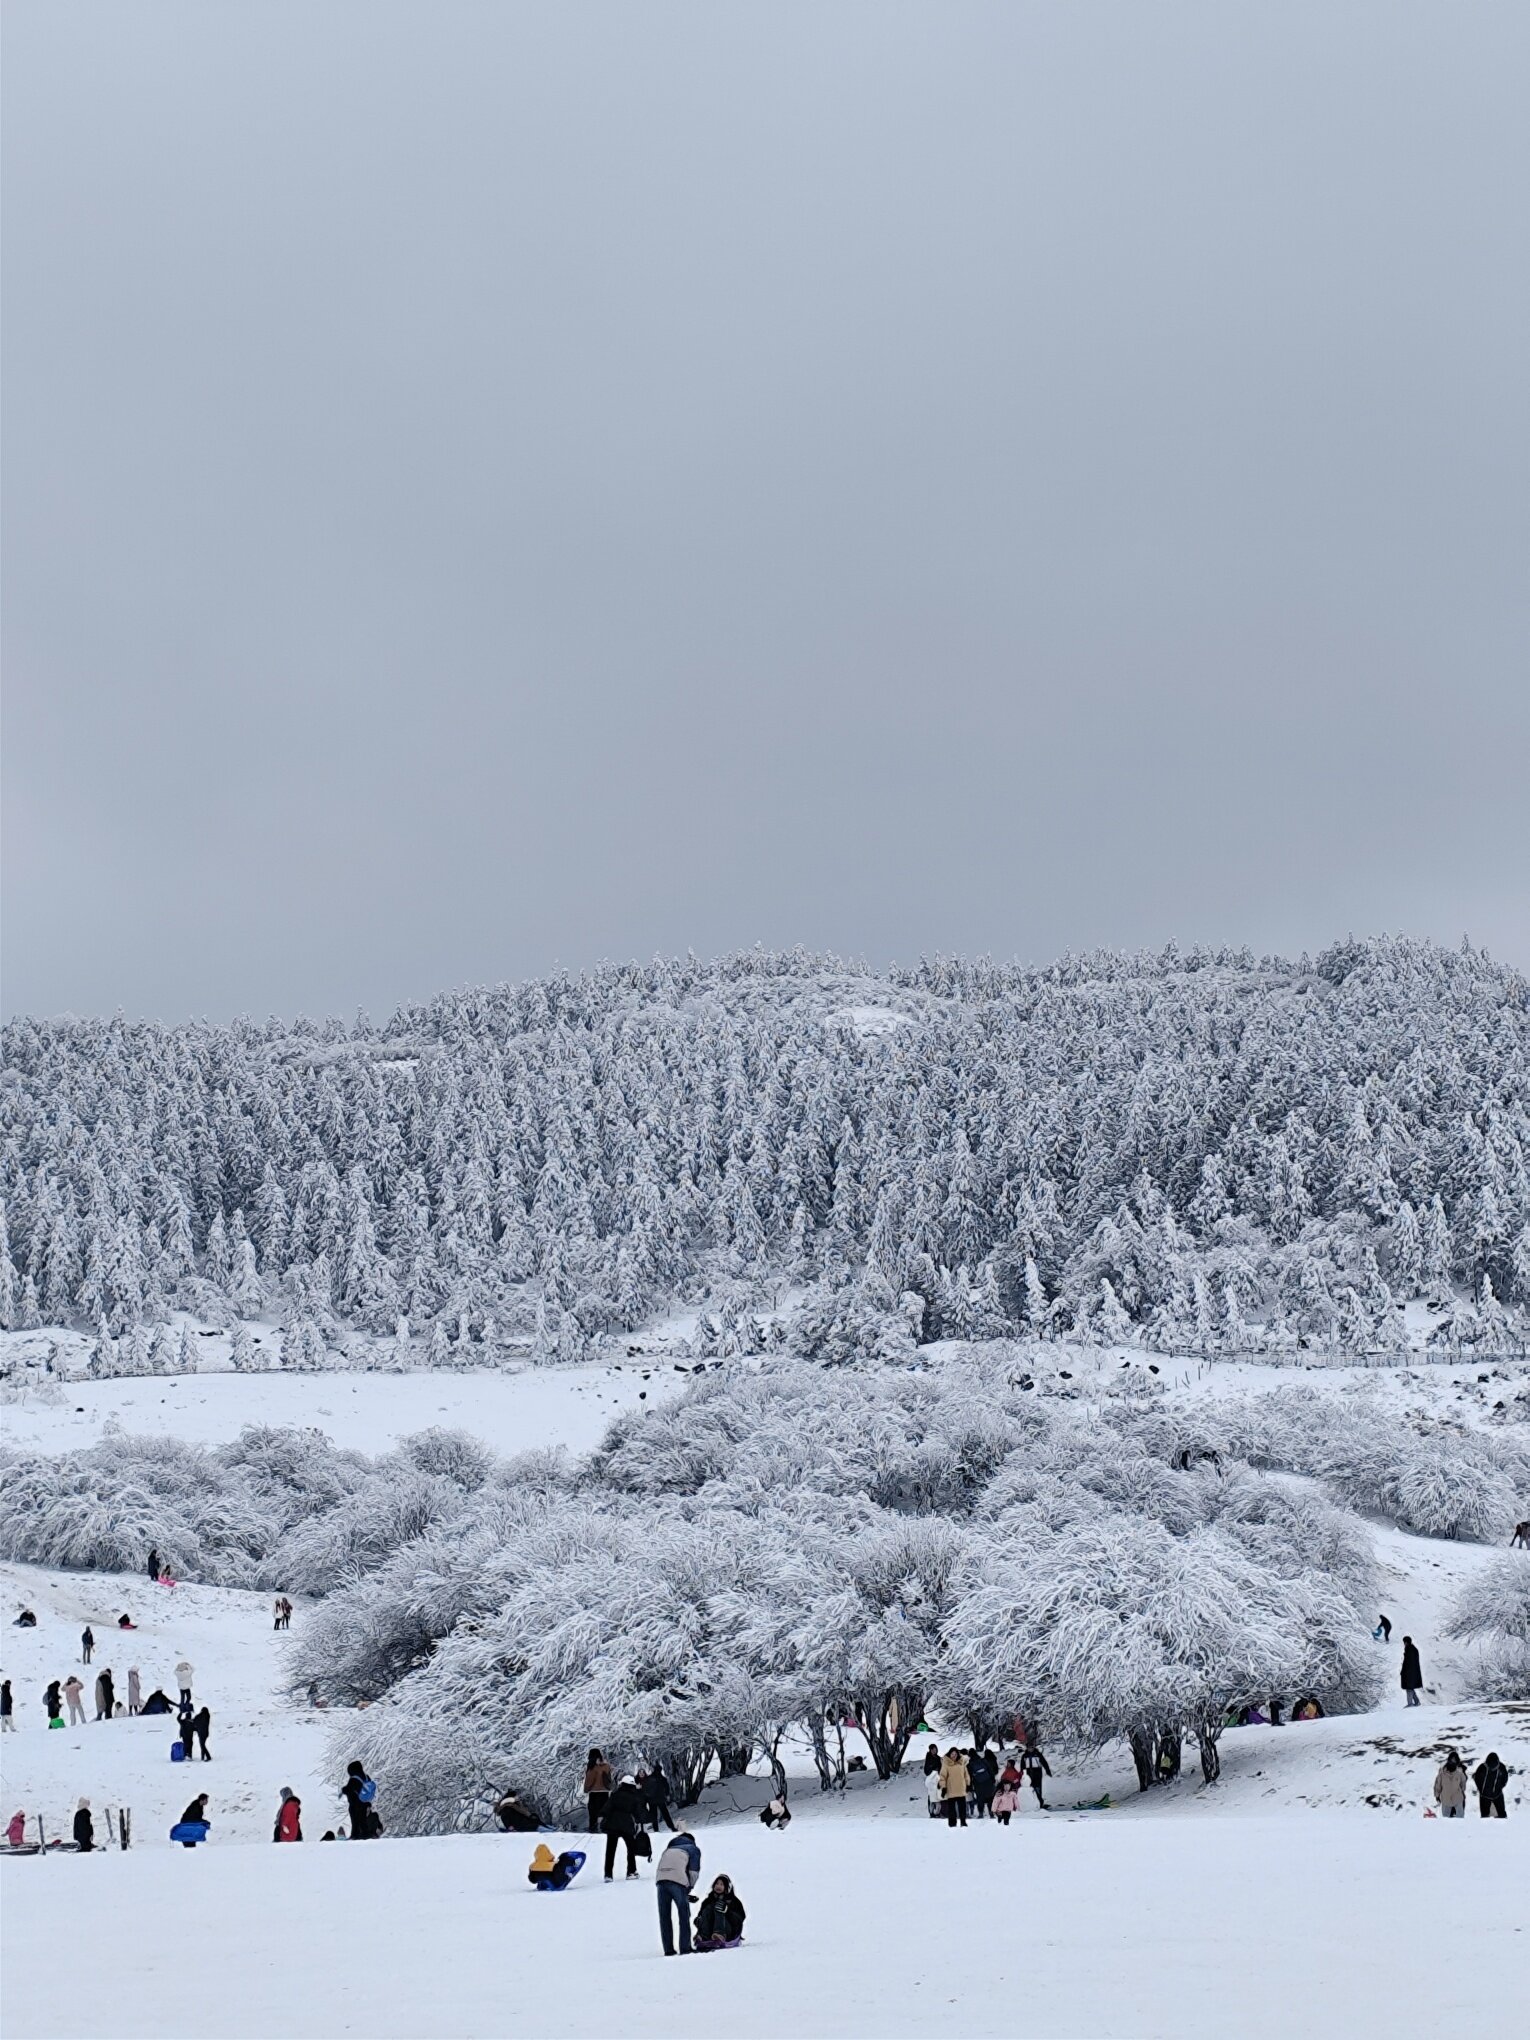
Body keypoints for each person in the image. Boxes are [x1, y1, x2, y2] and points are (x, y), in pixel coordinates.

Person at [655, 1831, 701, 1955]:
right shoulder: (693, 1849)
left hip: (660, 1880)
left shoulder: (668, 1849)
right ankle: (685, 1947)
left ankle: (668, 1949)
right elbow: (693, 1873)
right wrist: (689, 1888)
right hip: (678, 1881)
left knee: (664, 1916)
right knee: (683, 1914)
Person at [602, 1772, 649, 1880]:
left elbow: (607, 1807)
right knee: (631, 1848)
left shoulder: (615, 1795)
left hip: (612, 1824)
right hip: (626, 1825)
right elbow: (638, 1812)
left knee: (610, 1850)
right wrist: (642, 1822)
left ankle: (608, 1875)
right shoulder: (634, 1797)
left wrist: (602, 1816)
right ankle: (631, 1872)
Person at [694, 1873, 746, 1950]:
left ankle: (720, 1934)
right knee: (708, 1908)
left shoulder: (734, 1901)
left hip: (728, 1930)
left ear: (726, 1888)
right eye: (717, 1884)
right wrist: (698, 1921)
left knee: (719, 1906)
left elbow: (739, 1920)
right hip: (709, 1930)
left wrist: (727, 1911)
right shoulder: (707, 1901)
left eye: (721, 1884)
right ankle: (703, 1936)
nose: (718, 1886)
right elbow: (701, 1916)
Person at [341, 1761, 380, 1838]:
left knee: (355, 1821)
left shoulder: (353, 1779)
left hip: (355, 1804)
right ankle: (365, 1834)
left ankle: (355, 1835)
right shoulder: (366, 1777)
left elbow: (349, 1790)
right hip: (365, 1803)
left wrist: (344, 1790)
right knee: (363, 1820)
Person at [938, 1747, 970, 1827]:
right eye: (952, 1754)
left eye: (955, 1754)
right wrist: (943, 1787)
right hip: (951, 1789)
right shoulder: (946, 1764)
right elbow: (942, 1776)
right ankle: (952, 1823)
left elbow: (966, 1775)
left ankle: (963, 1822)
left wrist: (968, 1784)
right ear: (949, 1754)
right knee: (951, 1809)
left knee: (962, 1807)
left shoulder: (961, 1763)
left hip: (961, 1789)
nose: (954, 1756)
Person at [584, 1748, 612, 1834]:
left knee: (593, 1811)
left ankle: (593, 1827)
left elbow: (589, 1780)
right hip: (605, 1792)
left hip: (594, 1792)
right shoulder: (606, 1765)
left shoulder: (592, 1766)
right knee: (604, 1811)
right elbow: (609, 1778)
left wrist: (586, 1789)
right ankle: (605, 1827)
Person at [644, 1759, 677, 1833]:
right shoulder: (662, 1778)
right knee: (665, 1814)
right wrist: (667, 1795)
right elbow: (667, 1788)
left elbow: (645, 1789)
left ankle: (656, 1829)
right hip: (660, 1799)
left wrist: (646, 1798)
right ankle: (672, 1827)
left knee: (654, 1815)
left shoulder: (649, 1778)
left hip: (651, 1800)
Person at [1473, 1752, 1509, 1819]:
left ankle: (1486, 1828)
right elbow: (1505, 1779)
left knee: (1485, 1816)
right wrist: (1500, 1788)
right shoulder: (1501, 1767)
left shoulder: (1482, 1767)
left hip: (1487, 1795)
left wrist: (1481, 1789)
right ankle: (1503, 1828)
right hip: (1494, 1795)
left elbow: (1476, 1778)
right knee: (1501, 1816)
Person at [1433, 1749, 1467, 1817]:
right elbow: (1438, 1785)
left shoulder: (1459, 1773)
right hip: (1446, 1799)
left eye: (1455, 1761)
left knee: (1460, 1820)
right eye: (1451, 1760)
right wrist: (1437, 1795)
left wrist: (1462, 1791)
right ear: (1448, 1760)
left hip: (1458, 1799)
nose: (1453, 1762)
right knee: (1445, 1820)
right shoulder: (1442, 1773)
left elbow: (1463, 1783)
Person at [1021, 1740, 1052, 1809]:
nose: (1030, 1749)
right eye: (1029, 1748)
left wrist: (1047, 1770)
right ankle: (1032, 1803)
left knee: (1038, 1788)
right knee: (1030, 1788)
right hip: (1028, 1772)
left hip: (1037, 1772)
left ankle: (1040, 1802)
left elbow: (1044, 1762)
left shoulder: (1038, 1754)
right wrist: (1022, 1773)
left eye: (1032, 1747)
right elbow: (1022, 1765)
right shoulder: (1024, 1756)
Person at [969, 1745, 998, 1819]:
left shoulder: (970, 1764)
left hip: (978, 1783)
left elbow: (969, 1775)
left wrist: (970, 1785)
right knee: (989, 1798)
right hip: (987, 1781)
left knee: (980, 1799)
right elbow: (990, 1770)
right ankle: (991, 1813)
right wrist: (993, 1779)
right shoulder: (983, 1760)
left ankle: (981, 1813)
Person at [993, 1760, 1022, 1825]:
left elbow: (1016, 1780)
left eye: (1009, 1764)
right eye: (1007, 1763)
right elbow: (1002, 1777)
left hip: (1010, 1788)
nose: (1008, 1764)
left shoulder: (1015, 1772)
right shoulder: (1005, 1770)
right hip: (1004, 1787)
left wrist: (1011, 1785)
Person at [1401, 1637, 1424, 1707]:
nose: (1404, 1644)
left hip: (1409, 1673)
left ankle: (1410, 1704)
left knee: (1409, 1688)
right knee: (1410, 1687)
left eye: (1404, 1642)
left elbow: (1408, 1663)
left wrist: (1404, 1671)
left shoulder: (1409, 1650)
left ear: (1406, 1642)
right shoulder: (1413, 1649)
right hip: (1413, 1672)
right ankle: (1417, 1702)